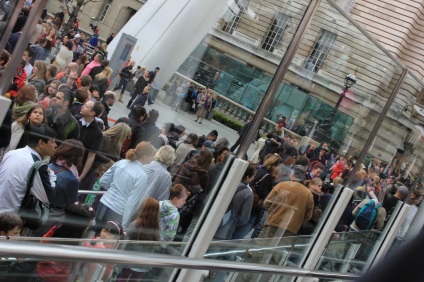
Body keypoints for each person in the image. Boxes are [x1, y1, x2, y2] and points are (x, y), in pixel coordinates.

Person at [0, 124, 57, 214]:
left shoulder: (11, 153)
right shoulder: (37, 165)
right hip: (10, 220)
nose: (55, 145)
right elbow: (48, 197)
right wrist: (52, 175)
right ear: (41, 143)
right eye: (53, 142)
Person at [96, 142, 155, 227]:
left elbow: (103, 181)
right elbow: (132, 202)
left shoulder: (121, 162)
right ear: (145, 157)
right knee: (108, 238)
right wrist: (124, 225)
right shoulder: (142, 175)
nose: (153, 158)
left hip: (104, 202)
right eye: (152, 155)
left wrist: (113, 189)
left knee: (96, 234)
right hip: (117, 210)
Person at [34, 139, 85, 237]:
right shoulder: (71, 179)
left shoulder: (50, 166)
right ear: (78, 157)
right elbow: (72, 205)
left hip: (37, 209)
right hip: (54, 216)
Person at [36, 204, 95, 282]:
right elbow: (92, 264)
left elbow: (43, 241)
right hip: (61, 278)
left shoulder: (57, 228)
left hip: (43, 272)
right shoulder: (82, 244)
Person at [117, 198, 160, 280]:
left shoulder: (137, 223)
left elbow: (126, 235)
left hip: (130, 260)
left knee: (123, 278)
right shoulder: (156, 227)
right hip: (144, 263)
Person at [174, 149, 213, 237]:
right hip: (188, 207)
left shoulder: (187, 164)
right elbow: (201, 195)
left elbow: (176, 176)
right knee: (180, 229)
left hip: (176, 197)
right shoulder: (203, 175)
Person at [215, 164, 255, 240]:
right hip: (225, 230)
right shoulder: (248, 193)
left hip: (210, 222)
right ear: (247, 177)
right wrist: (233, 221)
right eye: (253, 176)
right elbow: (244, 219)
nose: (253, 178)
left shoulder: (226, 182)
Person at [77, 101, 104, 183]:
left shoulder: (97, 132)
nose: (82, 106)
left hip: (77, 166)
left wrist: (81, 176)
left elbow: (91, 156)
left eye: (86, 106)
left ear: (92, 113)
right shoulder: (75, 119)